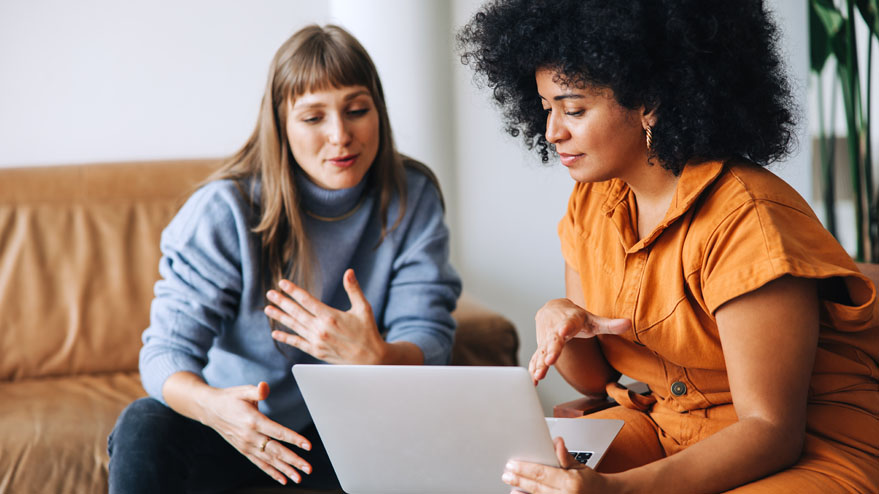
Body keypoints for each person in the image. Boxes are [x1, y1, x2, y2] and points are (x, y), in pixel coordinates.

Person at [459, 0, 879, 492]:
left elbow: (771, 431)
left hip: (810, 449)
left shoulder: (747, 219)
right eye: (546, 107)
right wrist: (561, 321)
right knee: (511, 475)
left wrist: (621, 490)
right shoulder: (591, 202)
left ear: (650, 102)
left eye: (573, 108)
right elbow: (594, 382)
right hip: (664, 425)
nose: (553, 131)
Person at [108, 24, 461, 493]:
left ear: (379, 111)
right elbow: (165, 355)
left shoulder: (411, 194)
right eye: (313, 118)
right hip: (237, 430)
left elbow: (430, 334)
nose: (340, 136)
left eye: (357, 110)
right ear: (281, 125)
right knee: (144, 422)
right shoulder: (225, 210)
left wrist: (378, 357)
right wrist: (217, 410)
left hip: (349, 432)